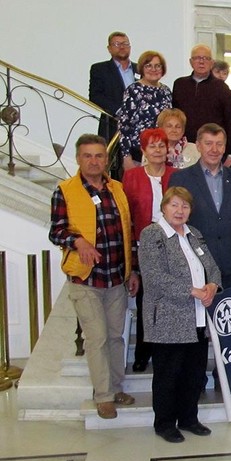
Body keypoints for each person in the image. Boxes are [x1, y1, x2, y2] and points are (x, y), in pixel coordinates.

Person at [48, 134, 139, 420]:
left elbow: (128, 231)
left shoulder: (117, 189)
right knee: (97, 338)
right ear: (78, 158)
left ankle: (116, 388)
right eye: (87, 156)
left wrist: (133, 270)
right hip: (86, 279)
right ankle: (103, 396)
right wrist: (78, 241)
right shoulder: (65, 190)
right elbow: (56, 231)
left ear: (106, 159)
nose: (94, 161)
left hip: (117, 277)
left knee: (115, 337)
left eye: (99, 155)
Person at [139, 186, 220, 443]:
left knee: (194, 374)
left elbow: (212, 267)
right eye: (174, 205)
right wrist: (193, 291)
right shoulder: (152, 235)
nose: (179, 210)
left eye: (184, 206)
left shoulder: (194, 234)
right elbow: (154, 277)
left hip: (197, 317)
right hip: (168, 317)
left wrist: (212, 286)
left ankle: (189, 419)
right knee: (168, 375)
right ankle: (164, 423)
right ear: (163, 207)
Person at [122, 128, 177, 372]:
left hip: (173, 245)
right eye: (152, 146)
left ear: (168, 149)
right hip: (144, 245)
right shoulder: (131, 177)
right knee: (147, 300)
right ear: (143, 150)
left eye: (161, 145)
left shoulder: (177, 175)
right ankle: (144, 352)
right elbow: (127, 217)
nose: (157, 150)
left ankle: (169, 350)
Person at [168, 123, 231, 289]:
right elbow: (173, 226)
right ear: (198, 146)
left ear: (225, 147)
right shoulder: (180, 179)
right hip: (195, 268)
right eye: (208, 143)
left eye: (219, 144)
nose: (214, 149)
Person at [172, 44, 231, 156]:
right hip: (184, 147)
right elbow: (175, 116)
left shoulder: (221, 87)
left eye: (206, 58)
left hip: (213, 149)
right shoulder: (180, 84)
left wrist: (230, 153)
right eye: (197, 58)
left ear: (212, 63)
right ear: (190, 62)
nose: (201, 62)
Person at [116, 50, 172, 172]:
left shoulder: (166, 91)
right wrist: (126, 157)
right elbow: (124, 126)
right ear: (142, 68)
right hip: (138, 154)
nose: (153, 69)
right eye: (149, 66)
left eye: (157, 66)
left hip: (161, 153)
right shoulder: (133, 90)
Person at [89, 32, 137, 145]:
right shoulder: (100, 69)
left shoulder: (140, 69)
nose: (122, 47)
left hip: (138, 128)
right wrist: (119, 111)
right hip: (112, 126)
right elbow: (95, 96)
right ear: (109, 48)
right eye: (117, 44)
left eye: (125, 44)